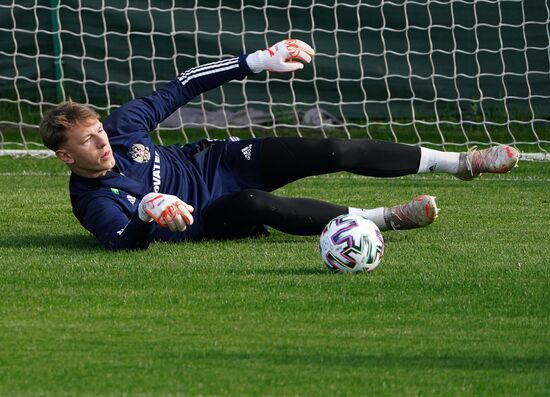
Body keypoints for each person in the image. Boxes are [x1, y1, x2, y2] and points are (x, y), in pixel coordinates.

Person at [39, 39, 520, 251]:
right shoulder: (92, 200)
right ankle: (383, 219)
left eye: (99, 130)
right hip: (211, 214)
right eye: (89, 140)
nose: (103, 141)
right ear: (65, 156)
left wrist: (256, 60)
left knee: (332, 150)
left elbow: (182, 85)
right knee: (253, 202)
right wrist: (148, 213)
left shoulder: (121, 129)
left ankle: (459, 162)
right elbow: (121, 245)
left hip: (218, 159)